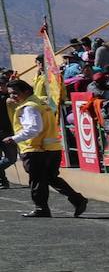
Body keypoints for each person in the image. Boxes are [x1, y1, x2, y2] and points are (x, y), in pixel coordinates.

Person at [4, 78, 87, 218]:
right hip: (52, 147)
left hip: (35, 149)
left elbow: (34, 128)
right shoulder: (40, 102)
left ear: (26, 91)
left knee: (37, 180)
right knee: (51, 178)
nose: (12, 97)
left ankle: (41, 208)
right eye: (10, 94)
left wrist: (14, 138)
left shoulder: (29, 107)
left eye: (15, 93)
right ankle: (77, 199)